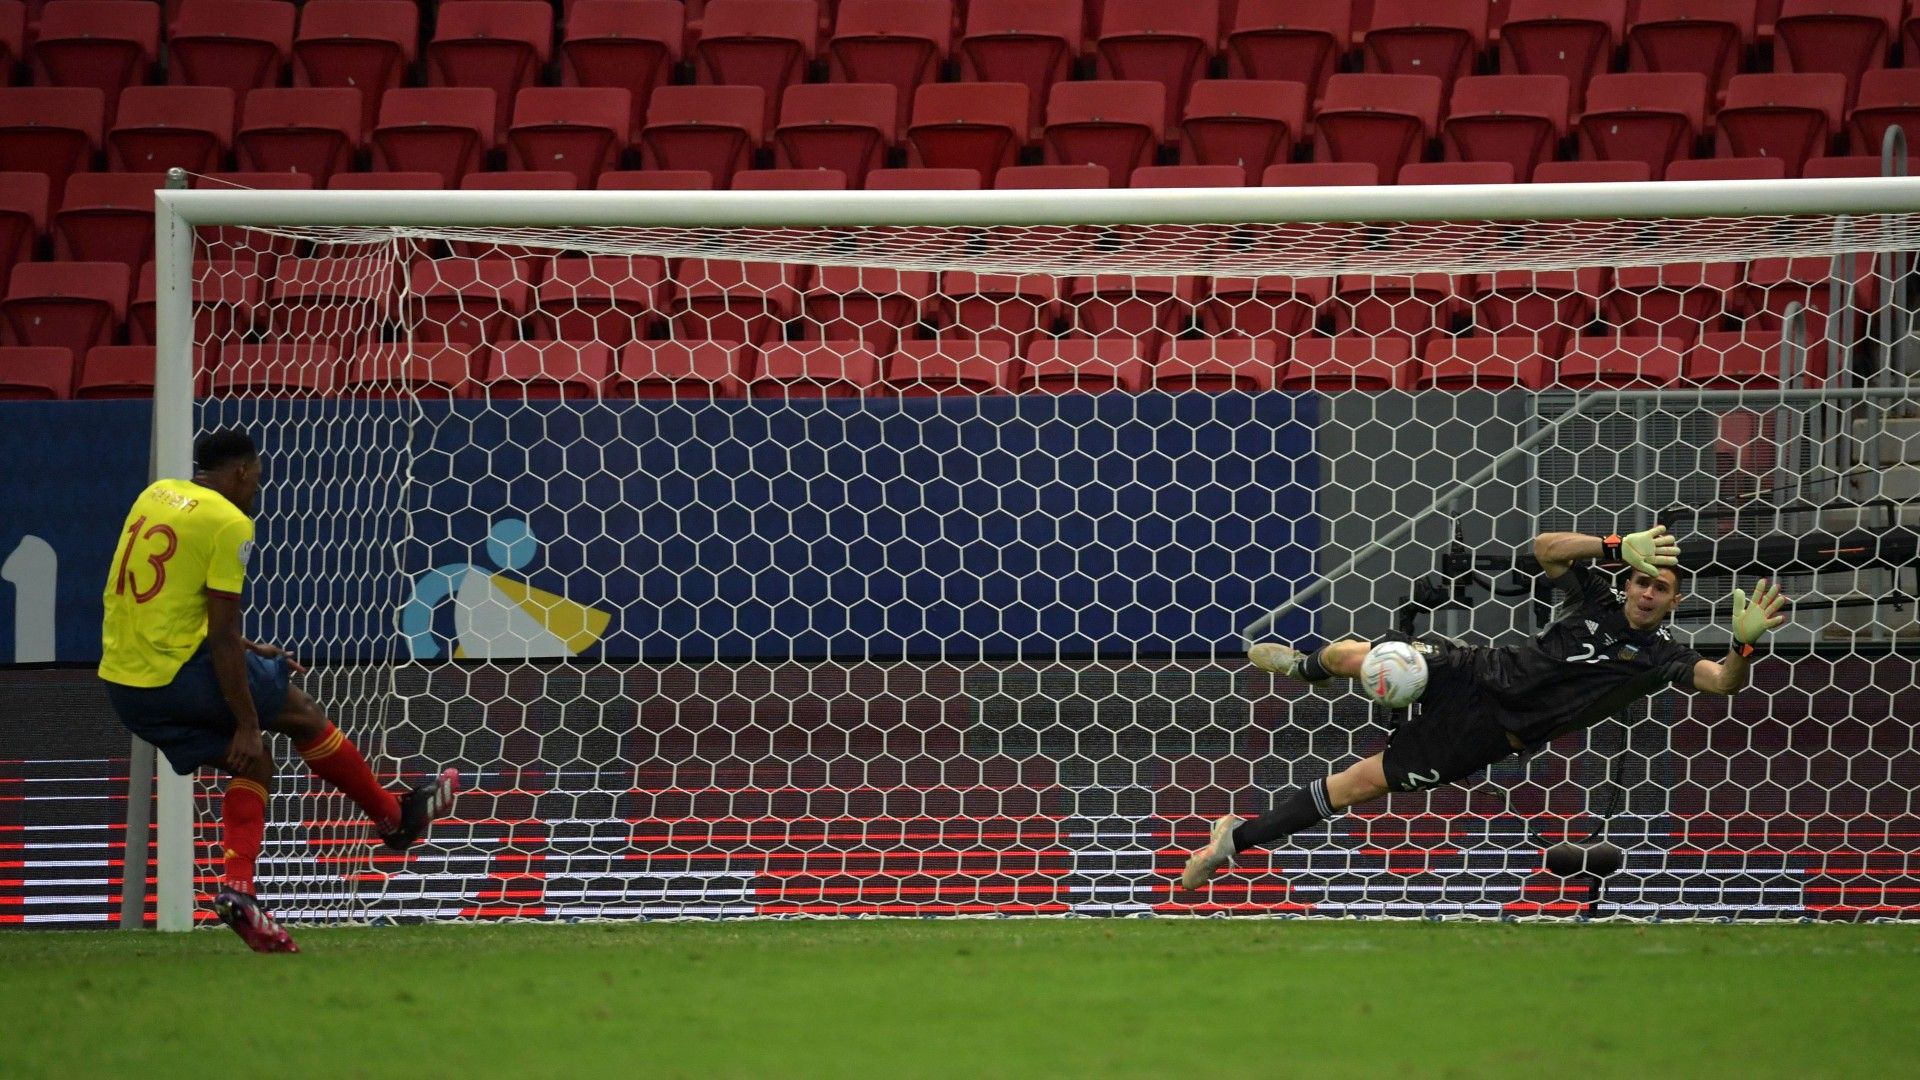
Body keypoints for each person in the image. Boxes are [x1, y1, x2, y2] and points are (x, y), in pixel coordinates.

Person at [1181, 524, 1790, 891]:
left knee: (1357, 785)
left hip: (1493, 733)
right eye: (1642, 581)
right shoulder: (1599, 598)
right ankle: (1305, 667)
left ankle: (1233, 842)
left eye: (1660, 589)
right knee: (1360, 657)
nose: (1647, 593)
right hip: (1479, 670)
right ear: (1629, 580)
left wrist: (1743, 644)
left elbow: (1721, 683)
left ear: (1673, 603)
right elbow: (1548, 550)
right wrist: (1609, 545)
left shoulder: (1661, 656)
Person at [99, 429, 459, 952]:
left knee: (255, 764)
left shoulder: (154, 496)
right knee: (300, 710)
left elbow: (161, 601)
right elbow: (220, 636)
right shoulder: (229, 522)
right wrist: (246, 721)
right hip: (176, 675)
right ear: (243, 472)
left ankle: (239, 893)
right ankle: (394, 819)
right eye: (257, 480)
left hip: (125, 686)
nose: (256, 492)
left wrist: (249, 649)